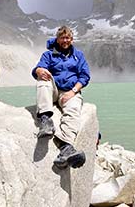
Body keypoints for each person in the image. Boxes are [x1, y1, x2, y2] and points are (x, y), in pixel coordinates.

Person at [32, 25, 90, 169]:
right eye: (62, 38)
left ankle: (66, 147)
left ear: (72, 39)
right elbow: (38, 68)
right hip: (53, 90)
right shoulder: (48, 55)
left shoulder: (78, 55)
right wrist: (38, 70)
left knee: (73, 110)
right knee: (43, 78)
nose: (65, 40)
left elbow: (84, 76)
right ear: (57, 39)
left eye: (68, 38)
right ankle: (45, 119)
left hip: (69, 91)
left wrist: (73, 91)